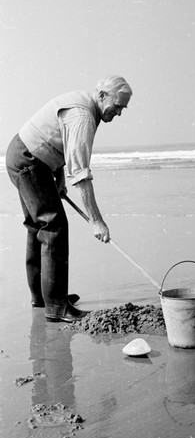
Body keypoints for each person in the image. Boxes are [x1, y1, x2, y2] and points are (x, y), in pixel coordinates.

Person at [6, 75, 133, 323]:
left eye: (123, 108)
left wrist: (59, 180)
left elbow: (57, 143)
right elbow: (81, 175)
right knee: (54, 226)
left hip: (22, 155)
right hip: (29, 162)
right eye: (117, 106)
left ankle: (44, 298)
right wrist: (97, 221)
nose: (118, 113)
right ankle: (56, 307)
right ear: (102, 95)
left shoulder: (84, 104)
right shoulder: (83, 117)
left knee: (38, 226)